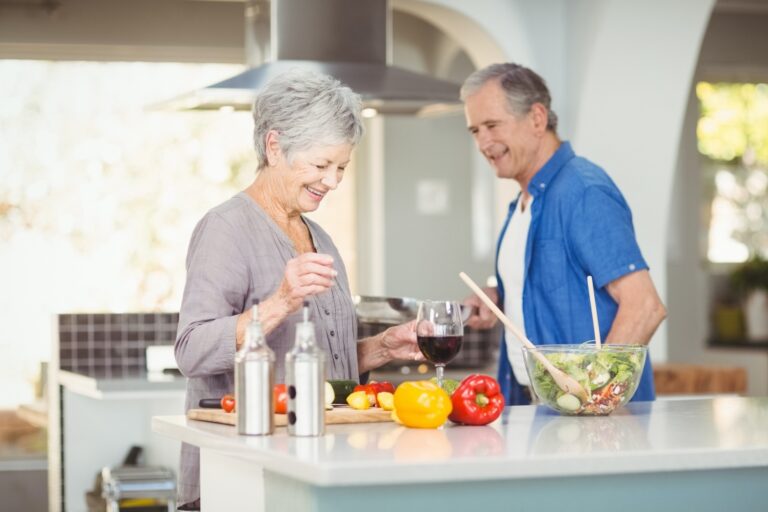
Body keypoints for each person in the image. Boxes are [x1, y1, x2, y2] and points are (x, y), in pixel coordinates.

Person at [173, 69, 422, 510]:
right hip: (241, 478)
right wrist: (281, 301)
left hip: (312, 473)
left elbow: (321, 372)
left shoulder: (319, 237)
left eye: (342, 167)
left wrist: (382, 347)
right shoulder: (226, 229)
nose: (333, 181)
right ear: (275, 147)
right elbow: (191, 351)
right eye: (322, 165)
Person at [460, 62, 667, 406]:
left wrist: (592, 398)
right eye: (475, 131)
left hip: (589, 418)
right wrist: (503, 296)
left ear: (537, 119)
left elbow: (645, 306)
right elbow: (557, 282)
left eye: (492, 125)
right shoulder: (524, 202)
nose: (483, 142)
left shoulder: (583, 191)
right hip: (535, 407)